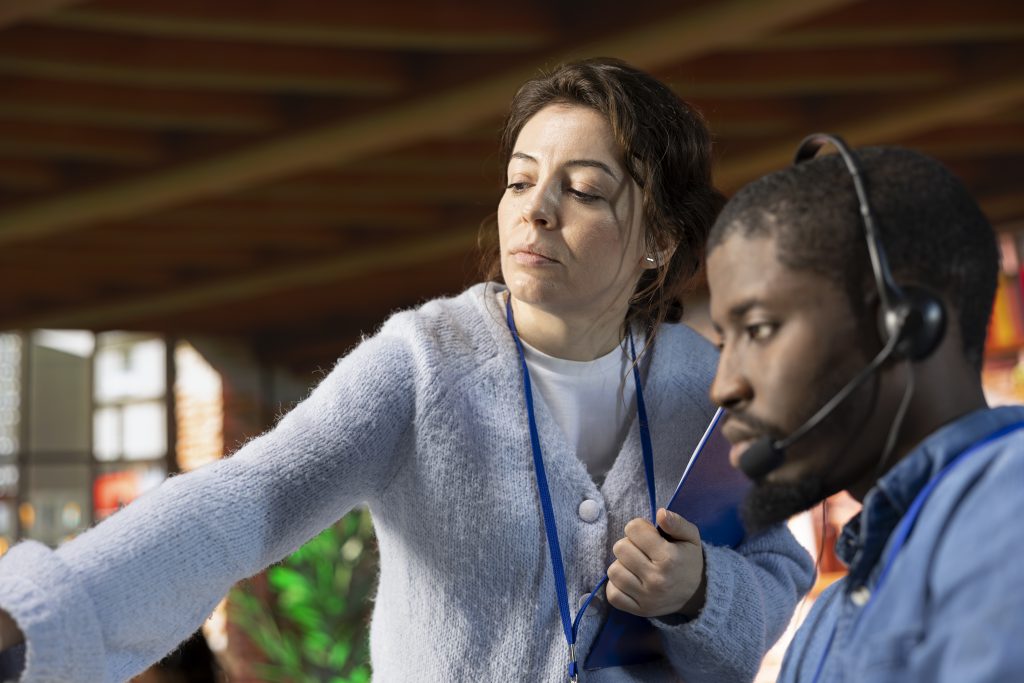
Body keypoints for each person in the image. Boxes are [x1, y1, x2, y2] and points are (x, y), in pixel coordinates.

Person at [0, 58, 813, 682]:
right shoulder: (424, 363)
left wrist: (700, 590)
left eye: (585, 190)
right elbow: (250, 499)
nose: (535, 209)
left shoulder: (708, 384)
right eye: (521, 179)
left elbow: (777, 569)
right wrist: (36, 614)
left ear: (659, 242)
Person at [705, 135, 1024, 681]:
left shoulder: (1006, 509)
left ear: (906, 324)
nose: (724, 386)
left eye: (758, 329)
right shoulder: (830, 619)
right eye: (722, 343)